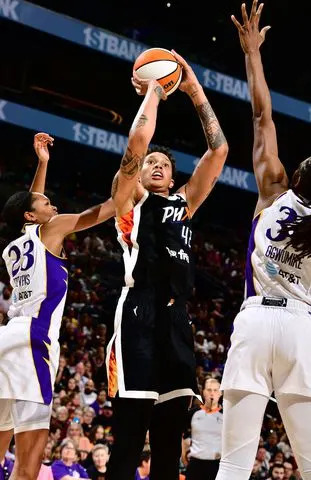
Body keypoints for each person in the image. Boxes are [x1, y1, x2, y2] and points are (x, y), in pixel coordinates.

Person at [107, 50, 228, 480]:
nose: (156, 165)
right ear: (139, 175)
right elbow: (137, 145)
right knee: (128, 434)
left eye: (165, 165)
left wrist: (194, 89)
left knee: (167, 438)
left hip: (177, 319)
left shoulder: (184, 203)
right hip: (138, 313)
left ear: (174, 179)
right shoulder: (128, 199)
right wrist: (155, 93)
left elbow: (219, 150)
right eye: (151, 165)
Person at [215, 2, 311, 480]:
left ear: (296, 175)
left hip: (255, 327)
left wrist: (252, 54)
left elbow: (261, 116)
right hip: (301, 331)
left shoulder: (274, 190)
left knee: (233, 465)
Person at [0, 132, 115, 480]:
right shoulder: (49, 229)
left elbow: (30, 207)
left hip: (7, 341)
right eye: (48, 205)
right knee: (28, 464)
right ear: (34, 217)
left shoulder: (16, 244)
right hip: (34, 341)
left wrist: (43, 163)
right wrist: (131, 183)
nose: (54, 207)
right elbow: (103, 211)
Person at [182, 378, 222, 480]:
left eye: (215, 390)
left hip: (216, 466)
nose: (212, 393)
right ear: (203, 392)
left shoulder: (226, 416)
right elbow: (181, 436)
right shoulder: (193, 413)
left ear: (220, 393)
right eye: (209, 390)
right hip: (195, 465)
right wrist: (183, 456)